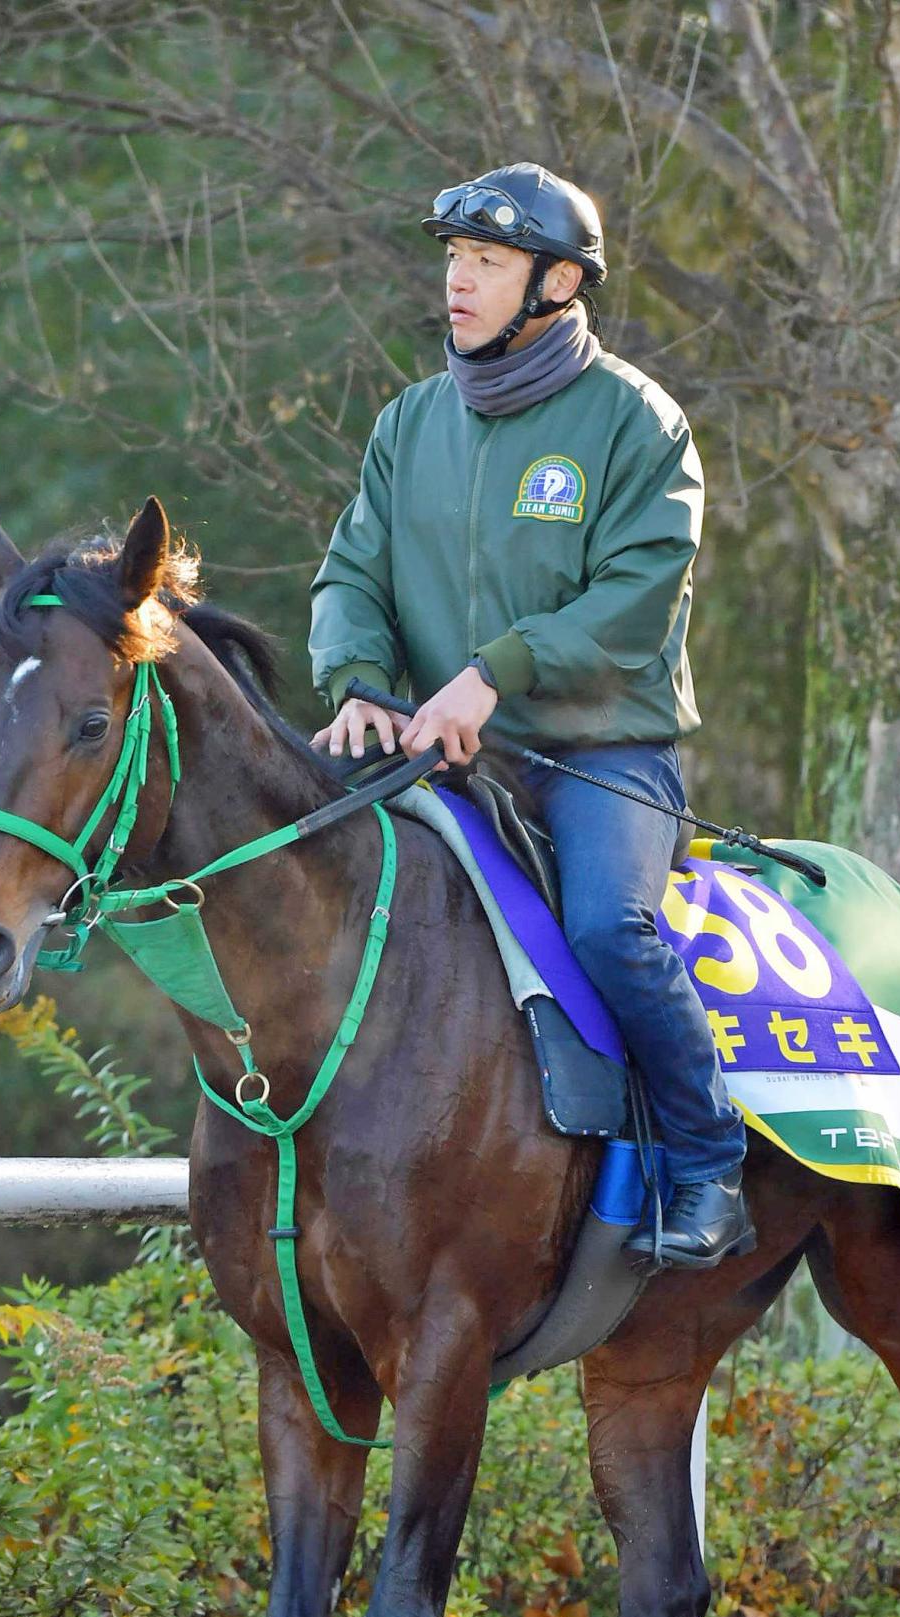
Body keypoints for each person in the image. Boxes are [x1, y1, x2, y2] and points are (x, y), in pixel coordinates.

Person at [309, 162, 751, 1270]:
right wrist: (358, 680)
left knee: (609, 926)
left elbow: (633, 600)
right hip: (432, 755)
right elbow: (349, 572)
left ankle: (705, 1164)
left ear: (556, 283)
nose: (457, 283)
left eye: (488, 263)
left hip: (598, 759)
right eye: (454, 259)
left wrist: (491, 673)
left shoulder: (636, 423)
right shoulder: (409, 423)